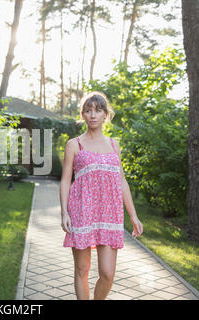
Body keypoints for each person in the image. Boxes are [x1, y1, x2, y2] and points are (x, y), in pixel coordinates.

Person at [59, 91, 143, 300]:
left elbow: (121, 180)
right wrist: (64, 213)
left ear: (106, 114)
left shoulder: (114, 145)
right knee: (82, 270)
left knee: (108, 273)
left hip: (109, 214)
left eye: (97, 110)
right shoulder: (74, 144)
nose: (93, 115)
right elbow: (65, 180)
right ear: (83, 115)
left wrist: (133, 215)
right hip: (82, 213)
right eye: (88, 111)